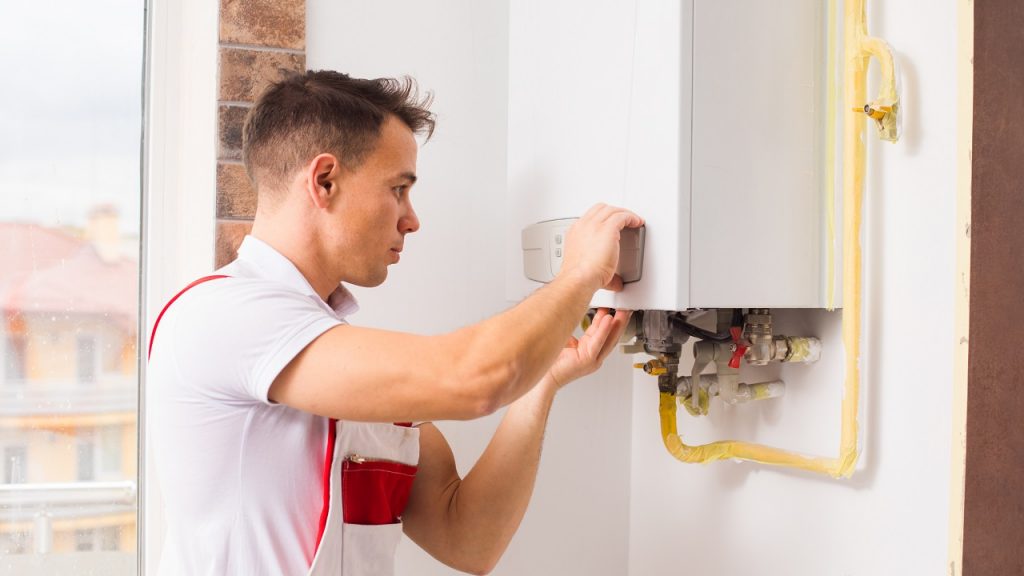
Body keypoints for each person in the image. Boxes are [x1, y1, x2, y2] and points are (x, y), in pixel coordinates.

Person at [148, 70, 643, 576]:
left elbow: (468, 539)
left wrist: (541, 384)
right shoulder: (222, 315)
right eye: (398, 189)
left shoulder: (335, 355)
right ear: (325, 182)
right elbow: (473, 379)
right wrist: (581, 271)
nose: (412, 219)